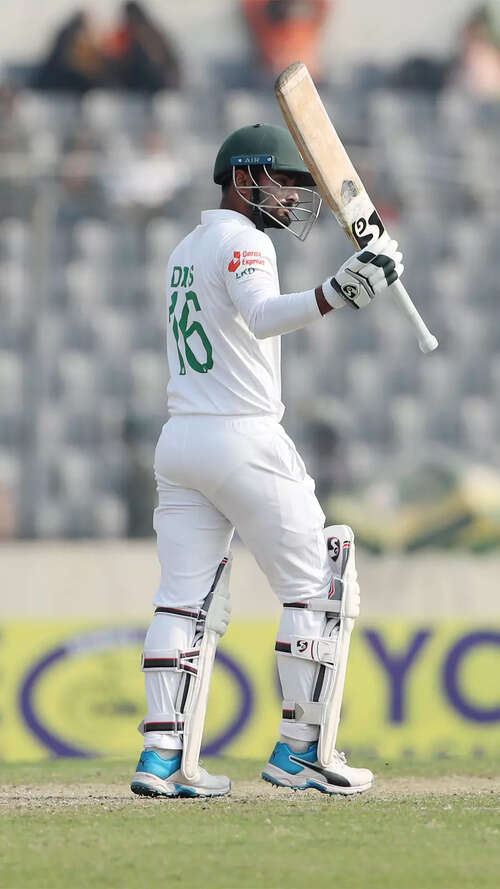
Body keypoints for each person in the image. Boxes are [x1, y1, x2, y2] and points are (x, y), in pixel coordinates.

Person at [130, 122, 403, 798]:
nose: (291, 197)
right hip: (242, 436)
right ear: (243, 177)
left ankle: (163, 759)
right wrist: (337, 292)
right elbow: (260, 315)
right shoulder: (246, 241)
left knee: (183, 601)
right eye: (282, 181)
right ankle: (301, 752)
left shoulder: (186, 247)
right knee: (320, 584)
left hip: (181, 439)